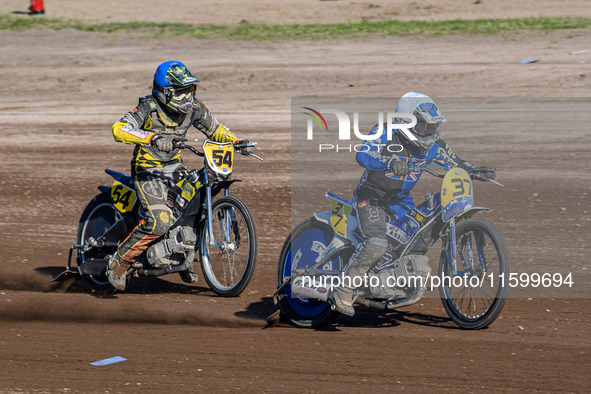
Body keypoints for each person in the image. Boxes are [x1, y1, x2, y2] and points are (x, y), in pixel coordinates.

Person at [331, 92, 495, 316]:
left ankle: (390, 281)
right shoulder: (385, 132)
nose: (428, 131)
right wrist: (389, 161)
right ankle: (343, 289)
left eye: (432, 125)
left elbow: (453, 160)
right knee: (377, 244)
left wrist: (474, 169)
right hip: (371, 196)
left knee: (411, 241)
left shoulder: (434, 144)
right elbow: (363, 155)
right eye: (422, 125)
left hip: (399, 200)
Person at [107, 60, 254, 291]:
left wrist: (236, 142)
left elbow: (216, 129)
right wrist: (151, 138)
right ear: (164, 93)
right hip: (148, 170)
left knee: (198, 196)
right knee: (159, 221)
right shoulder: (149, 107)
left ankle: (183, 257)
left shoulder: (194, 108)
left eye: (189, 91)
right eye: (181, 93)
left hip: (175, 167)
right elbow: (119, 128)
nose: (187, 98)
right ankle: (120, 261)